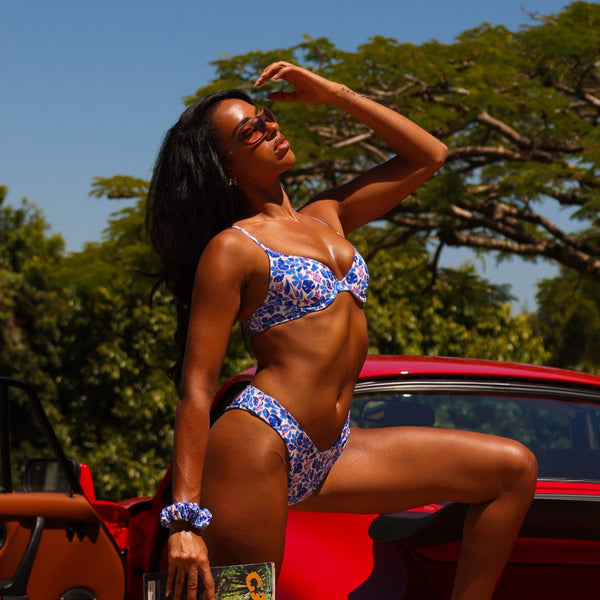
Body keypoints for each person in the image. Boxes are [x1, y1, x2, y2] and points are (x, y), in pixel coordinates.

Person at [146, 61, 538, 600]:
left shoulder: (327, 215)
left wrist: (335, 94)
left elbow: (429, 156)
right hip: (259, 440)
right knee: (245, 597)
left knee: (511, 470)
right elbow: (195, 388)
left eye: (265, 116)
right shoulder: (232, 248)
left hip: (335, 450)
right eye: (250, 132)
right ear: (225, 167)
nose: (270, 127)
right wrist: (184, 520)